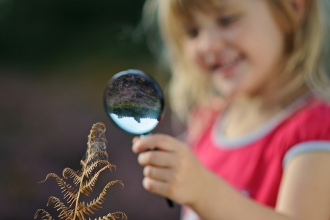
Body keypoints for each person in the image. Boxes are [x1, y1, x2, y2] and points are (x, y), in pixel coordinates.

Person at [132, 0, 330, 219]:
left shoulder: (316, 128)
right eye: (192, 32)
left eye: (227, 20)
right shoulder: (207, 121)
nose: (208, 45)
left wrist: (204, 190)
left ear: (292, 7)